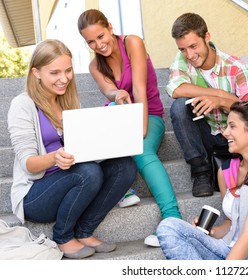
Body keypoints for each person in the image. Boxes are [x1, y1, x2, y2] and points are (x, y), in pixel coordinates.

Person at [7, 39, 138, 259]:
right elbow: (28, 164)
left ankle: (84, 231)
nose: (64, 78)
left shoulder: (69, 101)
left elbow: (83, 147)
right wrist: (54, 158)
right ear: (36, 73)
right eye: (54, 73)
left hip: (72, 179)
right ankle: (63, 236)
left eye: (68, 71)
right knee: (88, 172)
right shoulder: (22, 105)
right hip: (36, 195)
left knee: (124, 166)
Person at [77, 9, 182, 247]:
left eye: (101, 36)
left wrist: (141, 129)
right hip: (120, 117)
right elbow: (109, 91)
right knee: (94, 126)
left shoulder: (132, 42)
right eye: (91, 42)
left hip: (150, 114)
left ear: (110, 28)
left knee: (142, 150)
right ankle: (123, 189)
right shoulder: (95, 66)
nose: (99, 45)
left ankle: (173, 217)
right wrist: (117, 93)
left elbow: (139, 89)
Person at [156, 99, 248, 260]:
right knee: (169, 227)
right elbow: (232, 222)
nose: (225, 133)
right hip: (230, 250)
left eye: (232, 126)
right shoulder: (226, 171)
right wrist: (213, 232)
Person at [166, 12, 248, 198]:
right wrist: (218, 93)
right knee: (179, 107)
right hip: (208, 136)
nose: (189, 54)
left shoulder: (236, 66)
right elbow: (175, 89)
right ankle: (201, 173)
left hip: (237, 135)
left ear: (207, 37)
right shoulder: (182, 59)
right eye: (183, 49)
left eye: (193, 46)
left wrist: (222, 102)